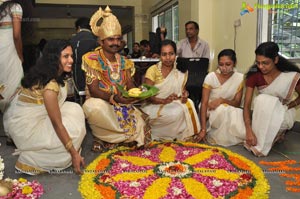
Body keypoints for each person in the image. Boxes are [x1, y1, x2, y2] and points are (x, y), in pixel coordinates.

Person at [3, 39, 86, 175]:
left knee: (74, 109)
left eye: (71, 56)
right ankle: (33, 159)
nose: (71, 60)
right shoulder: (50, 86)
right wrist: (74, 153)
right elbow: (57, 124)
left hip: (29, 121)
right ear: (54, 58)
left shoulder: (47, 73)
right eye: (66, 56)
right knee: (72, 132)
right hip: (29, 131)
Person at [82, 6, 150, 152]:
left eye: (119, 39)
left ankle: (110, 140)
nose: (116, 43)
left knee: (141, 124)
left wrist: (138, 93)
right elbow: (93, 90)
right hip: (102, 104)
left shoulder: (125, 61)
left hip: (122, 105)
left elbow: (130, 85)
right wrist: (115, 98)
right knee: (93, 107)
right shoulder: (91, 59)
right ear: (101, 42)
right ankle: (102, 137)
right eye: (111, 39)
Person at [243, 41, 300, 157]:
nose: (261, 67)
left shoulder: (289, 75)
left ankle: (279, 132)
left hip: (284, 113)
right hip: (263, 113)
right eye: (258, 63)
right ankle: (274, 135)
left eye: (265, 63)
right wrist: (249, 130)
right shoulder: (254, 75)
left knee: (264, 102)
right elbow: (247, 104)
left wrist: (288, 106)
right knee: (261, 100)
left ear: (275, 60)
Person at [141, 39, 200, 141]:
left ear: (175, 54)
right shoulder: (153, 70)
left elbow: (182, 91)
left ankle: (177, 134)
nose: (168, 58)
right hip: (153, 106)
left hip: (173, 103)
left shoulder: (180, 69)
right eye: (164, 54)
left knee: (188, 103)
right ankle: (158, 133)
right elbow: (147, 96)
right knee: (175, 113)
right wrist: (164, 101)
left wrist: (185, 94)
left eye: (171, 54)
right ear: (159, 55)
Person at [199, 49, 245, 146]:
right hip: (209, 109)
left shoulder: (240, 78)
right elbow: (204, 103)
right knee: (224, 110)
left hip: (229, 108)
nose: (224, 68)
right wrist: (202, 129)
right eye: (221, 64)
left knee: (233, 111)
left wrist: (221, 101)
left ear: (234, 63)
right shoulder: (211, 77)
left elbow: (237, 103)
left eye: (228, 64)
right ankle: (208, 128)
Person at [0, 0, 24, 112]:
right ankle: (10, 113)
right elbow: (16, 35)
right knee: (13, 80)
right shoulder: (15, 7)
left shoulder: (2, 9)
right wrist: (20, 54)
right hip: (10, 47)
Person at [70, 17, 98, 104]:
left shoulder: (73, 39)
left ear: (78, 27)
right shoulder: (97, 39)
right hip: (96, 74)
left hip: (78, 73)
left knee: (80, 96)